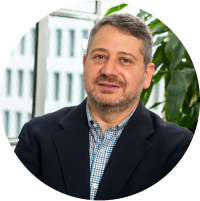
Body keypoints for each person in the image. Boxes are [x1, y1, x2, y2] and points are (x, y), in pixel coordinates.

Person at [14, 13, 194, 201]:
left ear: (147, 75)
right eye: (100, 56)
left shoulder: (177, 147)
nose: (108, 70)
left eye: (125, 60)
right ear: (85, 65)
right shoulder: (36, 136)